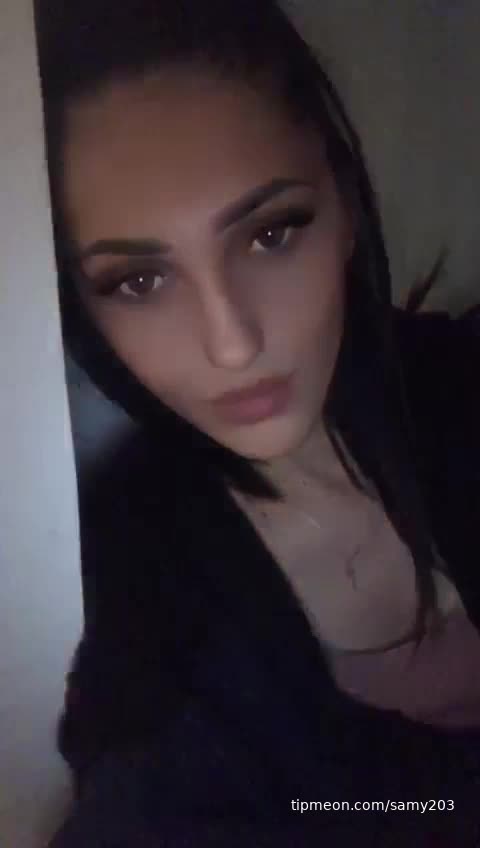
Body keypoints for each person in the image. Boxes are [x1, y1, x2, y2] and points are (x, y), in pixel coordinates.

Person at [35, 0, 480, 844]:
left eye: (271, 233)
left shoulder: (460, 380)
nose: (233, 343)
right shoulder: (135, 582)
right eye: (139, 281)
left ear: (345, 209)